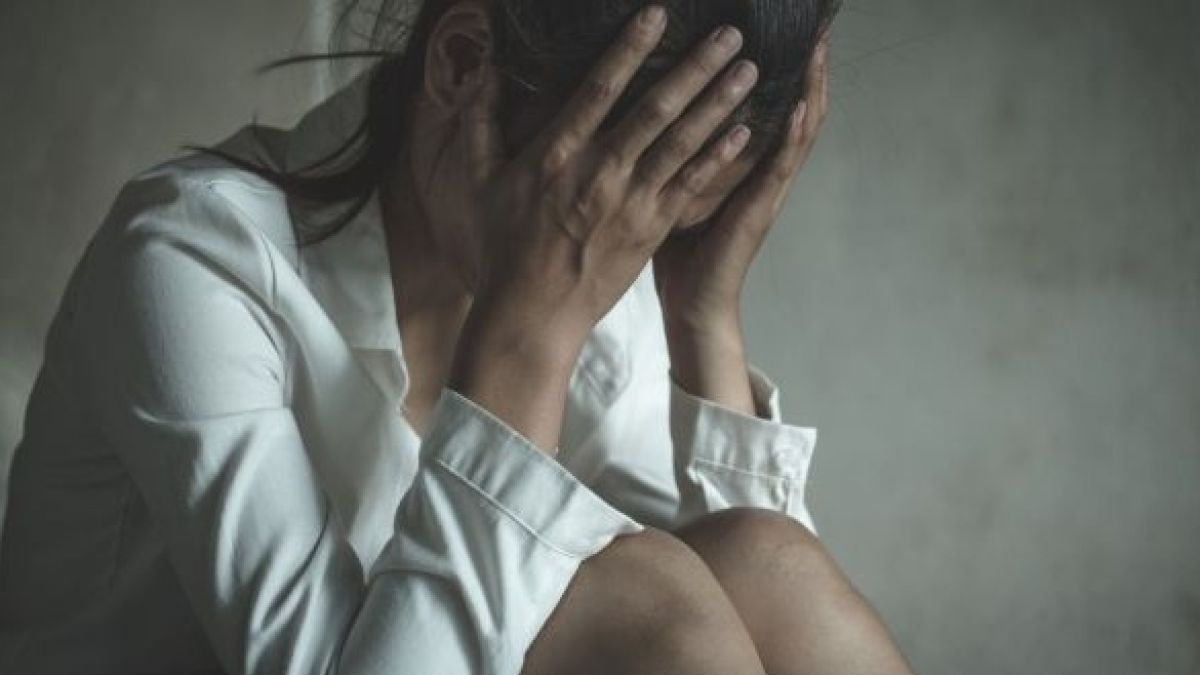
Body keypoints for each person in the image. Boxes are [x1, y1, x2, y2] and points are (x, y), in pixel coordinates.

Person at [0, 1, 914, 673]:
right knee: (645, 593)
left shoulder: (606, 263)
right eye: (625, 197)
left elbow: (759, 610)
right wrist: (524, 339)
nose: (628, 253)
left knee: (763, 561)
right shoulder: (189, 260)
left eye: (667, 219)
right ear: (462, 61)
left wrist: (702, 313)